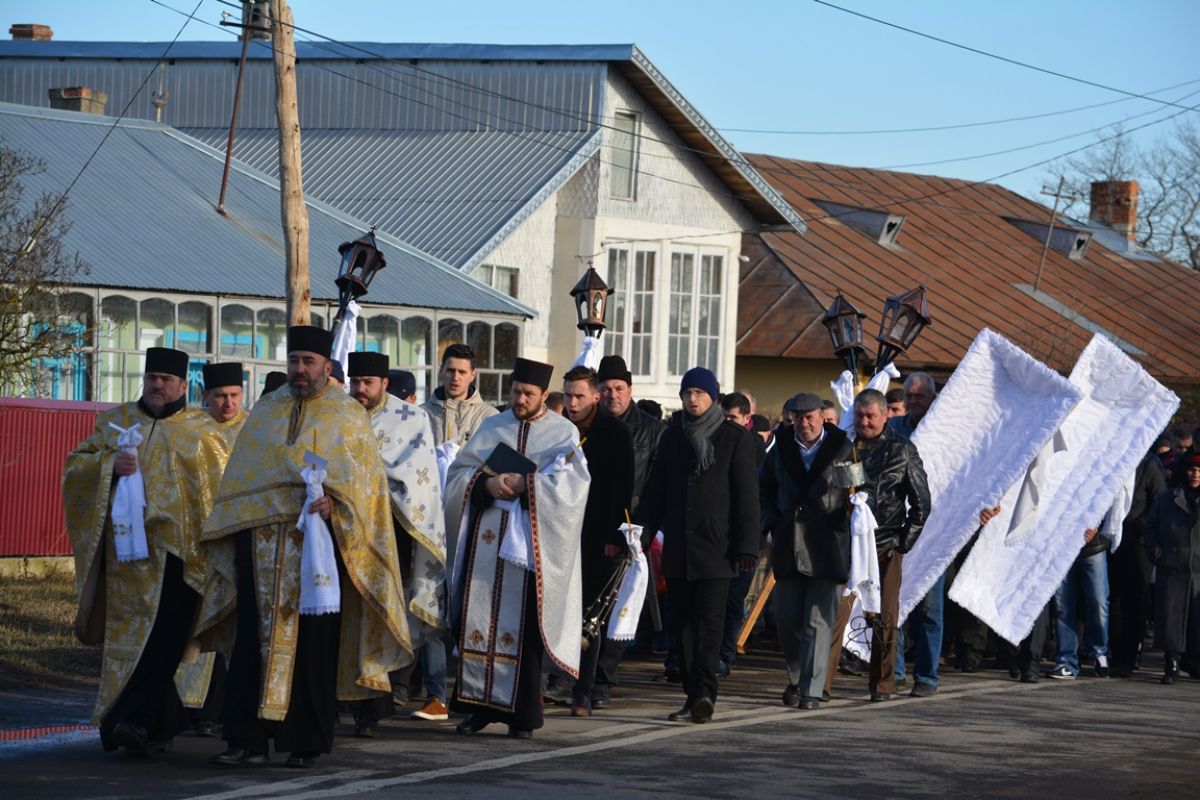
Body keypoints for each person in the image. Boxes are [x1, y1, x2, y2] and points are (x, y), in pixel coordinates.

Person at [195, 326, 412, 768]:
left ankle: (305, 742)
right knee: (251, 644)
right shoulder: (266, 410)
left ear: (326, 367)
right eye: (294, 360)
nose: (299, 369)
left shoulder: (347, 415)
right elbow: (242, 477)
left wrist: (336, 506)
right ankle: (246, 740)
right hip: (260, 550)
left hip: (320, 552)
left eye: (308, 362)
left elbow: (366, 489)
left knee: (314, 648)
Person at [62, 347, 228, 756]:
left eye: (166, 380)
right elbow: (75, 466)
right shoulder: (115, 422)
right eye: (152, 377)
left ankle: (134, 721)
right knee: (127, 642)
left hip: (179, 558)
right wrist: (107, 467)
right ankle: (147, 723)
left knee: (163, 643)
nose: (157, 385)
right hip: (125, 557)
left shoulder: (201, 432)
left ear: (183, 385)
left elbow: (217, 491)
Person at [446, 358, 589, 738]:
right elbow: (457, 474)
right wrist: (485, 485)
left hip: (530, 550)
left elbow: (573, 489)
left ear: (544, 394)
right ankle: (478, 707)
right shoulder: (493, 426)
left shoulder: (563, 433)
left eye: (528, 393)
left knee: (522, 631)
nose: (520, 399)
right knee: (478, 622)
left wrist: (530, 486)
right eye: (515, 391)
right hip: (487, 542)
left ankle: (522, 716)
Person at [640, 367, 760, 723]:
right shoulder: (672, 436)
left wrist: (747, 547)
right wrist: (642, 531)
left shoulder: (734, 438)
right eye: (687, 393)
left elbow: (747, 497)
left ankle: (705, 693)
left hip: (717, 549)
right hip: (680, 547)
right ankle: (692, 696)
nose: (692, 399)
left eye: (700, 393)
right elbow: (656, 490)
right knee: (684, 627)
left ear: (713, 397)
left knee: (709, 625)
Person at [346, 352, 449, 731]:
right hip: (347, 535)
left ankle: (373, 710)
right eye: (355, 382)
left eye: (367, 383)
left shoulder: (411, 419)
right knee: (351, 623)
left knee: (386, 618)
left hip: (393, 536)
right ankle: (347, 700)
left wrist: (369, 482)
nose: (360, 389)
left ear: (384, 384)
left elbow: (419, 482)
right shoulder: (339, 414)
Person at [828, 389, 931, 701]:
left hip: (886, 545)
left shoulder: (903, 450)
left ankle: (882, 685)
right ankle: (820, 685)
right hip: (847, 546)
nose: (865, 422)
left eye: (871, 416)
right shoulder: (843, 447)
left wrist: (903, 543)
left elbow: (921, 503)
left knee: (885, 619)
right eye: (860, 415)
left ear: (886, 416)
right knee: (834, 616)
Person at [418, 343, 499, 718]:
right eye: (449, 370)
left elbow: (500, 466)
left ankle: (471, 692)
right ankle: (435, 693)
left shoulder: (490, 418)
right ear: (441, 371)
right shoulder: (422, 414)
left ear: (473, 375)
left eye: (462, 371)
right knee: (430, 607)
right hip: (430, 524)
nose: (455, 377)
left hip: (473, 525)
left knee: (472, 610)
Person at [760, 392, 852, 709]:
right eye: (798, 417)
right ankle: (798, 678)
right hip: (788, 543)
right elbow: (763, 489)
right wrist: (771, 521)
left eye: (809, 416)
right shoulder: (780, 447)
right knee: (786, 620)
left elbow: (857, 491)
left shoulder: (842, 447)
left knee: (817, 620)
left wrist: (851, 515)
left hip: (827, 545)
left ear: (822, 417)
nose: (804, 423)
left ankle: (812, 690)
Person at [176, 360, 249, 736]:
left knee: (232, 626)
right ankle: (190, 708)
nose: (228, 403)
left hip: (238, 542)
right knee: (193, 626)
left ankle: (220, 710)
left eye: (235, 395)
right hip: (195, 542)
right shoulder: (188, 429)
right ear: (205, 395)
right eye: (220, 396)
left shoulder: (255, 430)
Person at [560, 365, 634, 716]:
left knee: (589, 614)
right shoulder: (556, 429)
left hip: (596, 534)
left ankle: (583, 690)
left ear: (594, 397)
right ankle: (553, 681)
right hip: (558, 532)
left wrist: (613, 535)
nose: (572, 404)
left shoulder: (615, 432)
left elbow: (622, 487)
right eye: (567, 396)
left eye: (579, 396)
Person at [597, 354, 666, 676]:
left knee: (619, 604)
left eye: (619, 388)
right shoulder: (588, 424)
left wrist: (644, 530)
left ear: (630, 390)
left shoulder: (652, 431)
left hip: (631, 529)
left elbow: (656, 486)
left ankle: (604, 676)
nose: (612, 395)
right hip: (591, 526)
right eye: (606, 388)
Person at [887, 372, 942, 697]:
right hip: (897, 527)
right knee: (893, 603)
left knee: (929, 610)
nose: (912, 401)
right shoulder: (894, 428)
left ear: (932, 398)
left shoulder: (948, 428)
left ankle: (927, 676)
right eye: (909, 396)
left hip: (934, 530)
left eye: (919, 396)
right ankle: (894, 671)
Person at [1109, 452, 1168, 677]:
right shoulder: (1112, 462)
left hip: (1137, 542)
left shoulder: (1149, 466)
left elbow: (1158, 503)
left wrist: (1136, 527)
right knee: (1113, 602)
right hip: (1111, 540)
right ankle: (1115, 654)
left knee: (1134, 602)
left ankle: (1128, 656)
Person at [1143, 452, 1200, 683]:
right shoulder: (1167, 498)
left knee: (1196, 619)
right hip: (1173, 566)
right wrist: (1159, 556)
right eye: (1192, 469)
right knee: (1171, 619)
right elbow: (1150, 528)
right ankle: (1172, 662)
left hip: (1197, 569)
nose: (1195, 474)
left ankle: (1193, 661)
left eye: (1199, 470)